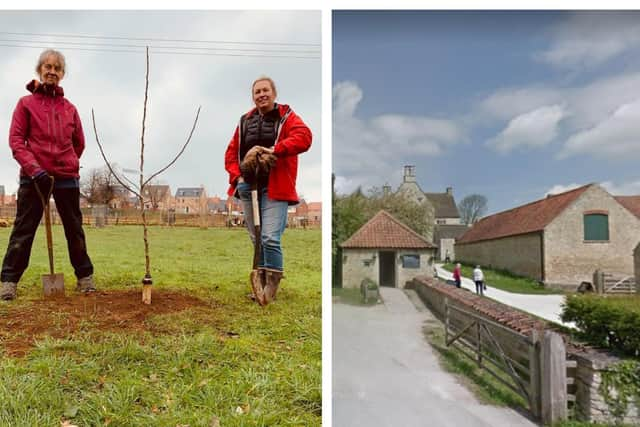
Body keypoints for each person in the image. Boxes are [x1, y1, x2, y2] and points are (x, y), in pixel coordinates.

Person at [0, 49, 95, 301]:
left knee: (74, 228)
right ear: (40, 70)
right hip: (33, 178)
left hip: (65, 178)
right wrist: (36, 169)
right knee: (23, 229)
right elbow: (16, 141)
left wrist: (66, 164)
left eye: (57, 67)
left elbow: (79, 143)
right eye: (47, 66)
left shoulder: (69, 108)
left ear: (62, 74)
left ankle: (84, 276)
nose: (52, 71)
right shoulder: (25, 104)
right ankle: (9, 281)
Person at [224, 76, 312, 305]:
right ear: (253, 97)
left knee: (270, 237)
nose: (261, 95)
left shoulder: (287, 117)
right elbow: (231, 153)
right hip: (248, 185)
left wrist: (275, 150)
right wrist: (238, 175)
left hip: (276, 185)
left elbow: (304, 138)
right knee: (256, 238)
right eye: (257, 92)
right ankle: (260, 283)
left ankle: (270, 288)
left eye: (265, 90)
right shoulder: (244, 121)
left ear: (274, 93)